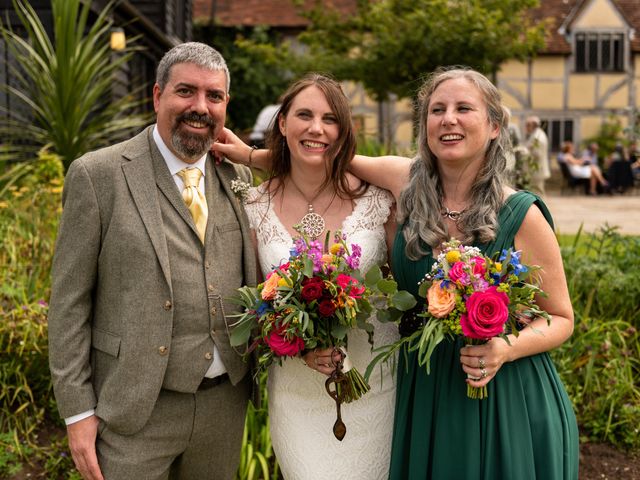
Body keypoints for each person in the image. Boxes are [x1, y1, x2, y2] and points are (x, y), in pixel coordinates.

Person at [347, 67, 579, 479]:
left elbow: (560, 318)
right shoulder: (404, 183)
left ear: (493, 126)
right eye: (437, 109)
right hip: (426, 385)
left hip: (504, 393)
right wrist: (249, 156)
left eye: (463, 108)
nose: (448, 118)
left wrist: (505, 347)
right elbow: (322, 157)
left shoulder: (520, 213)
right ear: (425, 127)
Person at [48, 42, 256, 479]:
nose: (200, 107)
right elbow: (69, 304)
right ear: (158, 96)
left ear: (225, 105)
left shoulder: (238, 176)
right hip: (132, 412)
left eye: (213, 96)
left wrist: (257, 157)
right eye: (186, 92)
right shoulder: (98, 175)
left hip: (224, 406)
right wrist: (77, 412)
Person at [213, 73, 397, 479]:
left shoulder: (378, 198)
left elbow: (419, 173)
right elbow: (249, 303)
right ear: (282, 123)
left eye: (331, 119)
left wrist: (255, 156)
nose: (317, 128)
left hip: (378, 388)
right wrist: (296, 344)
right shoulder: (254, 205)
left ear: (344, 130)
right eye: (304, 115)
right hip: (297, 392)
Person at [524, 115, 551, 195]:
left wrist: (524, 152)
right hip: (535, 170)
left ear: (533, 125)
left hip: (537, 170)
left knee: (537, 193)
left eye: (527, 125)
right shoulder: (536, 134)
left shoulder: (537, 137)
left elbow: (537, 154)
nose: (526, 127)